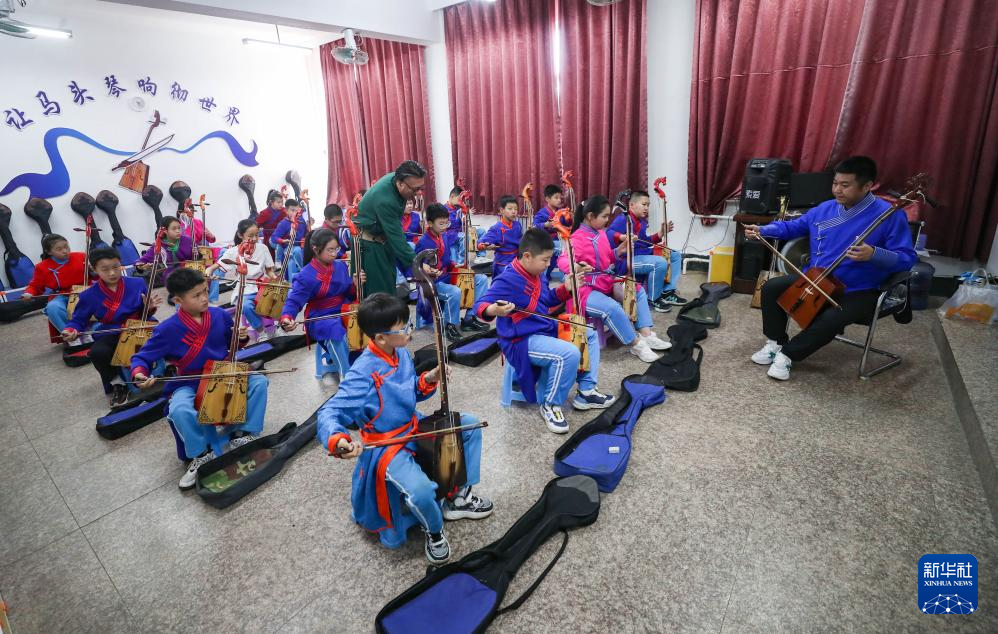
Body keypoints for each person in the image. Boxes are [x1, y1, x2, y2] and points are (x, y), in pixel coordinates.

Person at [316, 292, 494, 564]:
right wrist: (338, 439)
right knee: (420, 490)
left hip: (414, 423)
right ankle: (434, 532)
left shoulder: (399, 352)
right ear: (380, 338)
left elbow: (411, 390)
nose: (410, 331)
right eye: (404, 328)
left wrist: (429, 378)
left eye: (408, 324)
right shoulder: (363, 371)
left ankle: (458, 496)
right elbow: (329, 411)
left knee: (468, 425)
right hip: (386, 444)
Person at [744, 156, 917, 380]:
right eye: (835, 183)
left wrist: (874, 254)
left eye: (845, 185)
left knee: (831, 318)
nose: (837, 190)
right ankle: (776, 343)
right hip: (820, 280)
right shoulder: (825, 208)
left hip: (860, 288)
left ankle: (788, 355)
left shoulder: (889, 215)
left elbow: (907, 259)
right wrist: (763, 230)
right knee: (771, 288)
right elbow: (794, 227)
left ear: (867, 186)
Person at [131, 267, 269, 490]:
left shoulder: (219, 315)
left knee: (259, 382)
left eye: (205, 291)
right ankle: (202, 454)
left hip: (222, 373)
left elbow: (232, 344)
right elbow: (142, 357)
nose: (205, 298)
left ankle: (244, 432)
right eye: (196, 295)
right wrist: (140, 373)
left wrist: (241, 337)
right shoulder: (166, 329)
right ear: (178, 300)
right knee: (179, 409)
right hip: (189, 380)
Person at [476, 228, 614, 433]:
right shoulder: (507, 279)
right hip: (519, 340)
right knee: (569, 354)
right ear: (527, 256)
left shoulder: (536, 273)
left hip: (541, 328)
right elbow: (479, 305)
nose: (549, 264)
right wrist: (493, 310)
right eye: (545, 260)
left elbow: (546, 300)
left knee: (589, 332)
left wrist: (566, 288)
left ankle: (586, 390)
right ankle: (550, 404)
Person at [559, 196, 671, 362]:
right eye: (604, 216)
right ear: (590, 216)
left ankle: (646, 334)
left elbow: (607, 258)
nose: (607, 220)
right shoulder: (577, 238)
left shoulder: (601, 233)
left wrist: (619, 250)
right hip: (584, 287)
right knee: (611, 308)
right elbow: (562, 261)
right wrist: (575, 267)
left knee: (636, 290)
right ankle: (636, 344)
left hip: (605, 280)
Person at [62, 247, 160, 407]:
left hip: (140, 325)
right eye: (105, 269)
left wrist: (149, 308)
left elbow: (145, 312)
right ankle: (118, 383)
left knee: (169, 334)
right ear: (94, 269)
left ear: (121, 264)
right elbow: (78, 320)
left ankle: (169, 366)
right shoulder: (88, 295)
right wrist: (71, 330)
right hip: (113, 331)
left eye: (116, 267)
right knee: (98, 353)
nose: (112, 273)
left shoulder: (137, 283)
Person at [279, 229, 357, 386]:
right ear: (315, 249)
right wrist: (287, 317)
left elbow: (349, 292)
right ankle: (346, 376)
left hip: (344, 309)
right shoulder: (305, 275)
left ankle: (360, 366)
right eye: (330, 250)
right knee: (334, 328)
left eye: (336, 249)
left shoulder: (341, 267)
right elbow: (294, 301)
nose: (334, 254)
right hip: (320, 316)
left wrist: (355, 284)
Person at [415, 204, 490, 341]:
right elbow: (417, 268)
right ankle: (449, 326)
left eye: (447, 223)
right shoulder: (423, 242)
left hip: (446, 276)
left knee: (481, 279)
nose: (445, 227)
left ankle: (469, 319)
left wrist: (455, 265)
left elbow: (446, 260)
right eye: (441, 223)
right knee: (454, 292)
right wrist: (430, 271)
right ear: (430, 223)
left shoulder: (443, 236)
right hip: (432, 282)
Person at [354, 160, 429, 296]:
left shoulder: (398, 179)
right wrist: (417, 264)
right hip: (369, 246)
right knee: (379, 296)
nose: (418, 193)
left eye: (421, 188)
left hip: (383, 241)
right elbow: (397, 238)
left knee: (390, 287)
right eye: (414, 189)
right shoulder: (386, 200)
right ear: (400, 183)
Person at [606, 190, 687, 313]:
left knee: (675, 255)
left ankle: (667, 292)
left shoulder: (641, 222)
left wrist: (660, 234)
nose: (646, 208)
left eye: (648, 205)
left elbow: (643, 242)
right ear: (632, 205)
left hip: (640, 254)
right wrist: (622, 237)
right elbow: (608, 233)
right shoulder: (623, 219)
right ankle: (653, 299)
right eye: (644, 204)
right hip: (625, 261)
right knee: (659, 263)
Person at [206, 220, 275, 343]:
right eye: (250, 236)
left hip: (262, 284)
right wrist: (209, 270)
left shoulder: (263, 248)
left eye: (256, 235)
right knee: (245, 306)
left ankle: (276, 328)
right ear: (240, 235)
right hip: (245, 287)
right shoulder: (233, 251)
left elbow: (269, 270)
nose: (254, 239)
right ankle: (261, 331)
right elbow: (216, 265)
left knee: (278, 299)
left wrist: (275, 279)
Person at [21, 233, 87, 339]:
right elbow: (35, 286)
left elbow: (97, 273)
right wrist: (29, 293)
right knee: (53, 307)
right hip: (63, 294)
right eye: (59, 249)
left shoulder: (82, 256)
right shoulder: (42, 267)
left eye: (66, 246)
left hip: (86, 290)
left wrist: (93, 270)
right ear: (49, 252)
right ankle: (71, 336)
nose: (65, 251)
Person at [135, 216, 194, 286]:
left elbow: (198, 255)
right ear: (165, 230)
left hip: (191, 271)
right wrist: (141, 266)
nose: (178, 231)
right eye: (174, 229)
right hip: (173, 277)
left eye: (179, 228)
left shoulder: (187, 240)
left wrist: (198, 253)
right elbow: (140, 261)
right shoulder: (159, 245)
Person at [479, 195, 523, 278]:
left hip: (517, 259)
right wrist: (484, 245)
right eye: (510, 209)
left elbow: (521, 241)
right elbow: (484, 241)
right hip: (503, 262)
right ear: (502, 210)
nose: (514, 212)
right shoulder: (496, 228)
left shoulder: (517, 225)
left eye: (516, 209)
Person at [443, 186, 487, 266]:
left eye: (462, 199)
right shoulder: (443, 209)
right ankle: (461, 261)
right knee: (465, 236)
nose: (461, 201)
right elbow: (446, 225)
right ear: (452, 197)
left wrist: (466, 214)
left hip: (461, 232)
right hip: (450, 235)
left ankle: (481, 256)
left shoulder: (458, 208)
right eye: (459, 199)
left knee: (481, 231)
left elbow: (463, 223)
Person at [532, 184, 569, 278]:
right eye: (556, 198)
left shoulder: (560, 211)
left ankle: (557, 273)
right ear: (547, 199)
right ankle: (543, 277)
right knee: (561, 250)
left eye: (560, 198)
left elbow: (566, 224)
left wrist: (569, 218)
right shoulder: (542, 213)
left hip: (559, 239)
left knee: (557, 258)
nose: (559, 200)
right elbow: (535, 225)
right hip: (546, 241)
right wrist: (545, 225)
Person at [269, 198, 308, 281]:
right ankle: (297, 276)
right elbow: (274, 238)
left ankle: (303, 274)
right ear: (286, 211)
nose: (295, 213)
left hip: (301, 247)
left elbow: (306, 233)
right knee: (296, 252)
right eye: (292, 210)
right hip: (288, 247)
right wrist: (283, 241)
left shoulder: (301, 221)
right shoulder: (283, 223)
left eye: (297, 210)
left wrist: (306, 237)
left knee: (301, 251)